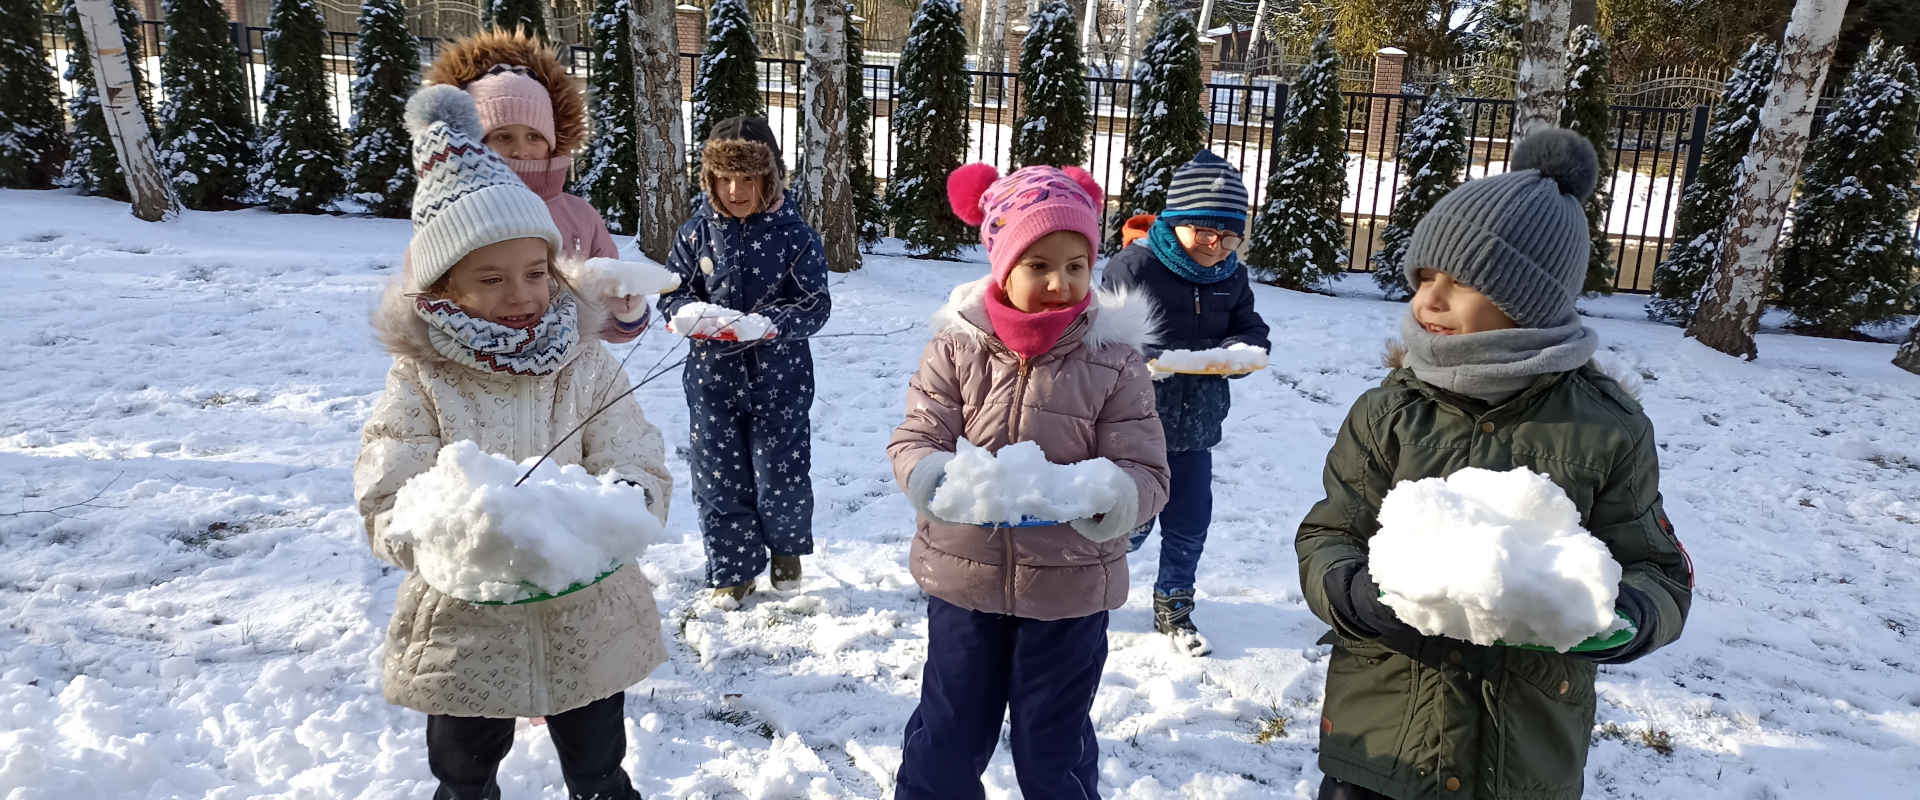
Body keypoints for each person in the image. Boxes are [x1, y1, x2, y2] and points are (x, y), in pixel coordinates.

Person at [1295, 128, 1693, 800]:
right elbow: (1329, 534)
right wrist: (1354, 594)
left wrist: (1616, 616)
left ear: (1526, 300)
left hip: (1520, 757)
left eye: (1460, 283)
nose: (1430, 300)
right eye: (1424, 277)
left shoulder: (1605, 429)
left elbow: (1659, 569)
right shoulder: (1389, 413)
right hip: (1388, 744)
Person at [353, 85, 674, 800]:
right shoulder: (424, 376)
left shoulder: (586, 365)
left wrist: (621, 507)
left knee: (598, 765)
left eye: (536, 273)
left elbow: (636, 454)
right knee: (463, 771)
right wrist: (446, 532)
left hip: (582, 615)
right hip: (467, 625)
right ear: (443, 287)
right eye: (491, 279)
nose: (522, 294)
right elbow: (388, 477)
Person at [887, 162, 1171, 799]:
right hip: (964, 577)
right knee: (948, 735)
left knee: (1053, 747)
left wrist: (1116, 497)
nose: (1059, 282)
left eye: (1076, 265)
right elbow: (916, 439)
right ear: (1002, 265)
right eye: (1038, 264)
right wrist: (936, 480)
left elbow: (1147, 468)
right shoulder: (956, 348)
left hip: (1070, 586)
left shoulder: (1115, 360)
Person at [1100, 149, 1271, 657]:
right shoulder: (1135, 266)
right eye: (1204, 233)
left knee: (1190, 518)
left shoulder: (1230, 276)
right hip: (1134, 424)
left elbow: (1251, 329)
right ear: (1176, 222)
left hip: (1197, 427)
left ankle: (1175, 604)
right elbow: (1108, 337)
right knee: (1129, 520)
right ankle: (1092, 581)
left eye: (1230, 236)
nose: (1217, 247)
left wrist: (1244, 352)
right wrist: (1165, 358)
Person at [657, 115, 831, 608]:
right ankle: (733, 569)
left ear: (769, 178)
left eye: (747, 179)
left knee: (781, 471)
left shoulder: (796, 238)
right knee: (717, 474)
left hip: (782, 379)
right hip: (712, 380)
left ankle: (785, 548)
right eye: (724, 179)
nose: (735, 190)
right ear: (710, 179)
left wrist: (771, 323)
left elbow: (814, 304)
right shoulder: (696, 235)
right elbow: (673, 294)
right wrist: (688, 315)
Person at [425, 29, 652, 343]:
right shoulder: (454, 213)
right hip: (479, 377)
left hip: (567, 380)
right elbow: (426, 307)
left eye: (534, 136)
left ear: (555, 141)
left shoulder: (580, 217)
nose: (521, 150)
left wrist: (625, 308)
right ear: (476, 141)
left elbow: (609, 323)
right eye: (503, 136)